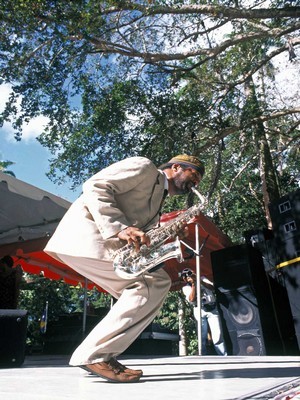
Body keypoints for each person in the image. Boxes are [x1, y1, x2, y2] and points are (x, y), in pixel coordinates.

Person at [44, 154, 205, 383]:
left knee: (148, 287)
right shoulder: (146, 167)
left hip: (100, 246)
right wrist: (119, 228)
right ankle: (94, 355)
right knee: (152, 283)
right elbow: (95, 186)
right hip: (88, 239)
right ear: (176, 166)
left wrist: (171, 234)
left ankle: (102, 355)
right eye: (194, 175)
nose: (195, 183)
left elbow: (140, 236)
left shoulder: (159, 197)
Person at [181, 267, 226, 356]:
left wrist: (199, 280)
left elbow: (213, 288)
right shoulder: (186, 288)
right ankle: (203, 356)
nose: (189, 276)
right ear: (184, 279)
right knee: (202, 336)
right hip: (199, 310)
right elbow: (191, 299)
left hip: (212, 309)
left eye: (190, 273)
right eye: (187, 275)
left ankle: (223, 355)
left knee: (218, 335)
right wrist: (194, 284)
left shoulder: (203, 278)